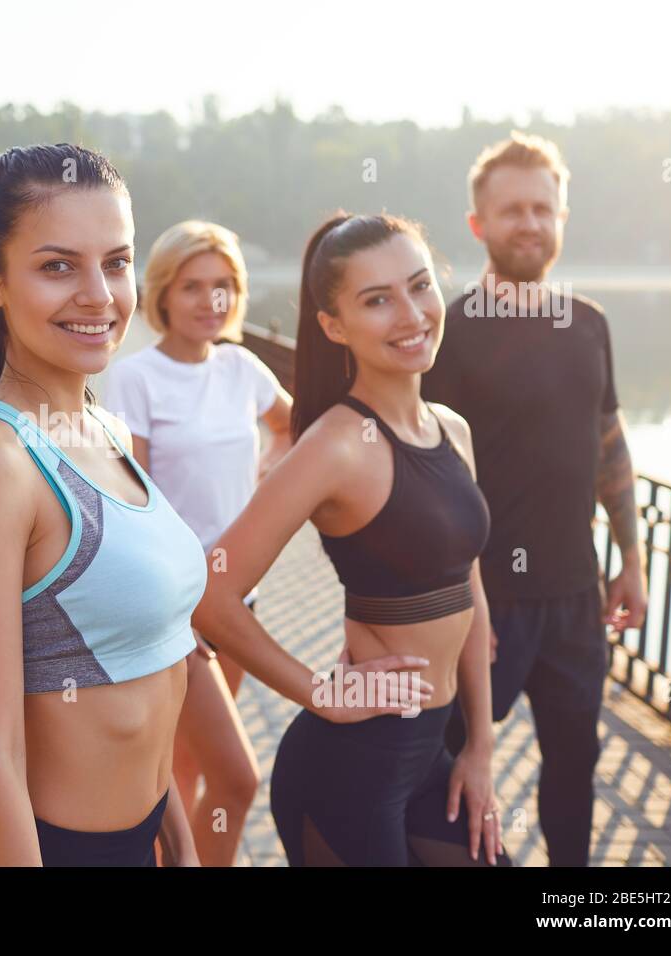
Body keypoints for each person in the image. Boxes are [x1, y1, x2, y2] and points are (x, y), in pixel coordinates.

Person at [193, 212, 513, 866]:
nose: (411, 313)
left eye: (419, 287)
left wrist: (480, 750)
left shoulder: (452, 430)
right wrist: (317, 691)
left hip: (434, 759)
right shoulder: (336, 445)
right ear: (334, 326)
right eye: (377, 300)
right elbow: (211, 593)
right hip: (346, 774)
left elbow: (471, 598)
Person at [0, 143, 205, 866]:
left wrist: (176, 840)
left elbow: (148, 670)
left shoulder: (107, 426)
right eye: (58, 266)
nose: (99, 295)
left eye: (115, 262)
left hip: (140, 838)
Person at [422, 132, 646, 866]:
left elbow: (608, 447)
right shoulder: (448, 332)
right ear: (478, 223)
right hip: (489, 603)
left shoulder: (589, 323)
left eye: (543, 209)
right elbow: (426, 474)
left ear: (562, 219)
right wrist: (459, 596)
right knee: (448, 766)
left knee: (575, 764)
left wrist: (633, 560)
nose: (530, 223)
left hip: (576, 597)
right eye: (512, 210)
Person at [102, 220, 293, 866]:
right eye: (193, 287)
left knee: (214, 767)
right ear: (161, 293)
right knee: (185, 770)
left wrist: (269, 483)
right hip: (178, 609)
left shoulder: (243, 367)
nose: (211, 302)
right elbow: (139, 503)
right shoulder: (137, 378)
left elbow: (292, 427)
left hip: (241, 600)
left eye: (223, 287)